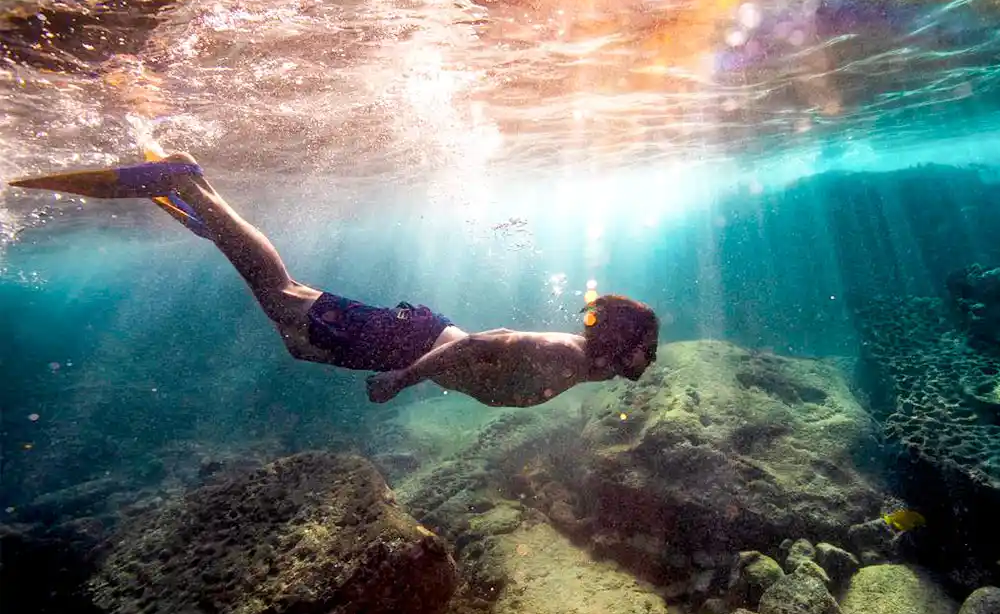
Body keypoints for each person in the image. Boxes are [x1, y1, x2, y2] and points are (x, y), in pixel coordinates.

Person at [10, 154, 660, 407]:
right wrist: (404, 381)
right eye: (645, 346)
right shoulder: (566, 355)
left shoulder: (592, 367)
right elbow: (480, 342)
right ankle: (187, 182)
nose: (650, 359)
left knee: (294, 332)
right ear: (620, 340)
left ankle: (207, 210)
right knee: (287, 299)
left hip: (414, 347)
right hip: (416, 344)